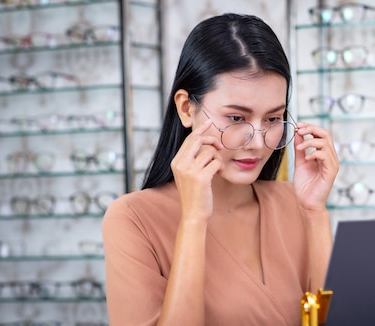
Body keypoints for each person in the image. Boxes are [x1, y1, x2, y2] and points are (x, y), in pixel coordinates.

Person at [101, 13, 339, 325]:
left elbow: (328, 320)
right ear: (187, 108)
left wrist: (314, 213)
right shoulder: (132, 219)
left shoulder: (292, 202)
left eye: (272, 118)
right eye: (237, 118)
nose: (256, 143)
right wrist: (194, 219)